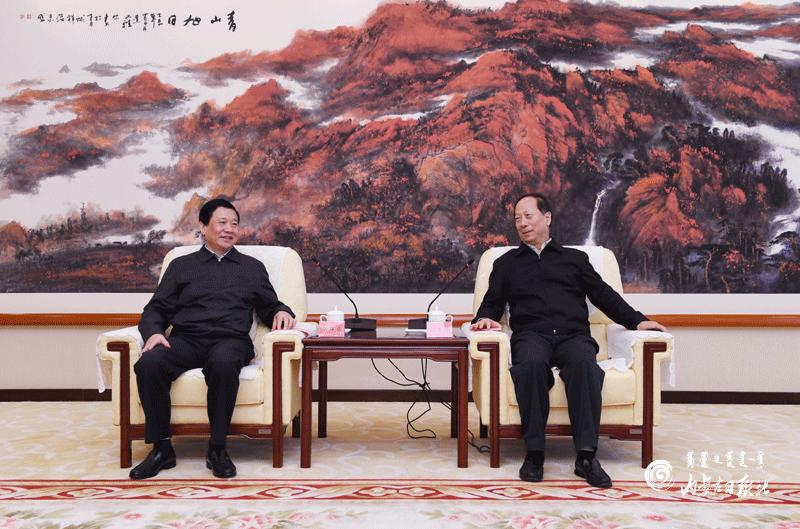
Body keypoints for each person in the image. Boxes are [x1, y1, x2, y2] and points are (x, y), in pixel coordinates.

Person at [471, 193, 666, 488]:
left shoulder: (574, 260)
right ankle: (534, 453)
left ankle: (586, 456)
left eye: (528, 216)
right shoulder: (506, 263)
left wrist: (638, 321)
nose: (522, 223)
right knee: (530, 366)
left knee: (584, 366)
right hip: (531, 336)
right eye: (517, 219)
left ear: (547, 218)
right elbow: (492, 303)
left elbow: (604, 295)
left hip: (573, 336)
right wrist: (485, 318)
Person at [130, 198, 295, 480]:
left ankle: (217, 448)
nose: (229, 229)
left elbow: (270, 306)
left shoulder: (251, 267)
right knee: (150, 363)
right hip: (187, 339)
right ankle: (161, 449)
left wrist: (282, 311)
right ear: (204, 227)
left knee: (223, 362)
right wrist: (155, 332)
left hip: (230, 340)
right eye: (222, 222)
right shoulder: (181, 266)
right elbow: (156, 308)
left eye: (234, 224)